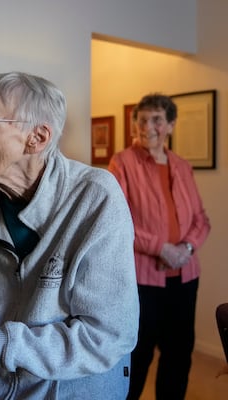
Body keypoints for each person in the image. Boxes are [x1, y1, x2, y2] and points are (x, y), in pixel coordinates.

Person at [0, 72, 140, 399]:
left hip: (73, 391)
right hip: (1, 389)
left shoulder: (96, 199)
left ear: (37, 137)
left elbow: (105, 338)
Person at [108, 93, 211, 399]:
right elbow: (117, 221)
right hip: (142, 282)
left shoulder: (182, 165)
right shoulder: (122, 162)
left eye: (156, 120)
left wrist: (186, 250)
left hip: (185, 278)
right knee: (137, 358)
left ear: (170, 126)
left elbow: (201, 220)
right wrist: (162, 248)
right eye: (142, 119)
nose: (147, 126)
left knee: (179, 356)